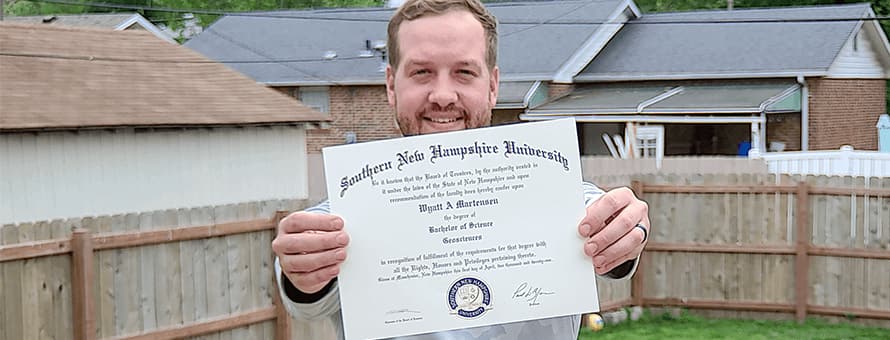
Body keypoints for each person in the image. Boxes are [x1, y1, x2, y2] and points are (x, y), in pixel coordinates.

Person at [272, 0, 651, 338]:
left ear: (493, 85)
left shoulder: (558, 190)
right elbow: (309, 302)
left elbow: (613, 238)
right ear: (391, 85)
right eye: (421, 72)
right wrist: (303, 270)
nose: (442, 96)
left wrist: (624, 231)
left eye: (464, 73)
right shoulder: (343, 211)